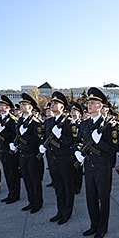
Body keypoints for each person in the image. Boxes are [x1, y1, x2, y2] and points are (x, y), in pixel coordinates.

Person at [74, 87, 118, 238]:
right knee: (90, 197)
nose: (89, 105)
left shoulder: (108, 125)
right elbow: (77, 142)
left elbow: (113, 149)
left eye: (93, 103)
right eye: (89, 102)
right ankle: (94, 225)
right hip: (89, 165)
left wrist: (100, 143)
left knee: (103, 198)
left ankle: (102, 228)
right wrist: (77, 152)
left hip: (103, 166)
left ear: (100, 106)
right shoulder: (84, 124)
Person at [39, 91, 77, 225]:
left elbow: (73, 142)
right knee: (58, 187)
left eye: (56, 103)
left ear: (62, 107)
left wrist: (61, 137)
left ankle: (67, 212)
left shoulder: (68, 122)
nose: (52, 105)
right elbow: (46, 138)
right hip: (52, 159)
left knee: (67, 186)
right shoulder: (48, 122)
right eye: (52, 103)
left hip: (65, 159)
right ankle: (60, 211)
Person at [16, 93, 44, 213]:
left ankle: (38, 202)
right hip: (22, 154)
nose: (22, 106)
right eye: (21, 104)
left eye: (24, 104)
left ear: (31, 107)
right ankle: (31, 201)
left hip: (32, 155)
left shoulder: (36, 122)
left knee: (34, 180)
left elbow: (37, 141)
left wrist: (24, 137)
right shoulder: (20, 120)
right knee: (27, 180)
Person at [0, 95, 20, 204]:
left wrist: (3, 133)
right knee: (6, 172)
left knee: (12, 173)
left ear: (8, 108)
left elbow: (15, 135)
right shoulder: (1, 119)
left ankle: (15, 194)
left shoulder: (12, 120)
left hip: (10, 150)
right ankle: (11, 193)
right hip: (2, 149)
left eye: (2, 105)